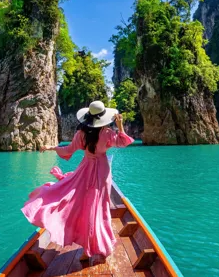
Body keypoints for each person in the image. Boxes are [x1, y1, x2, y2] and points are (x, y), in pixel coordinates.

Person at [21, 100, 134, 264]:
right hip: (102, 172)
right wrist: (120, 124)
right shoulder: (108, 133)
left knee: (81, 205)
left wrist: (51, 148)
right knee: (99, 208)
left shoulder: (81, 135)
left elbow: (67, 150)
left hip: (85, 170)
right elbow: (123, 143)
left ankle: (86, 249)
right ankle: (94, 246)